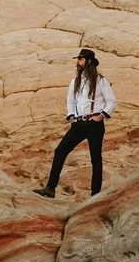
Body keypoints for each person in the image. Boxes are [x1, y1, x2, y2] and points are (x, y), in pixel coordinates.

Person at [34, 48, 116, 199]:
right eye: (78, 59)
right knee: (60, 151)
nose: (78, 63)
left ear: (89, 61)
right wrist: (71, 115)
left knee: (95, 158)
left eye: (80, 59)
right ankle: (50, 188)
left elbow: (111, 101)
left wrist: (100, 116)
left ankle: (95, 195)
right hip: (78, 124)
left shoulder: (100, 80)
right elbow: (70, 101)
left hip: (94, 124)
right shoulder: (75, 81)